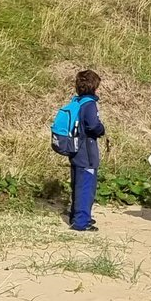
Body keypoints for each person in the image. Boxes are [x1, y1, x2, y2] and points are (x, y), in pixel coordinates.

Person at [63, 69, 106, 232]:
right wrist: (101, 129)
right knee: (86, 186)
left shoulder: (77, 102)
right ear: (94, 86)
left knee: (77, 184)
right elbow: (93, 126)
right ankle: (81, 221)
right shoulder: (89, 104)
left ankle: (77, 215)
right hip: (86, 152)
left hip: (74, 150)